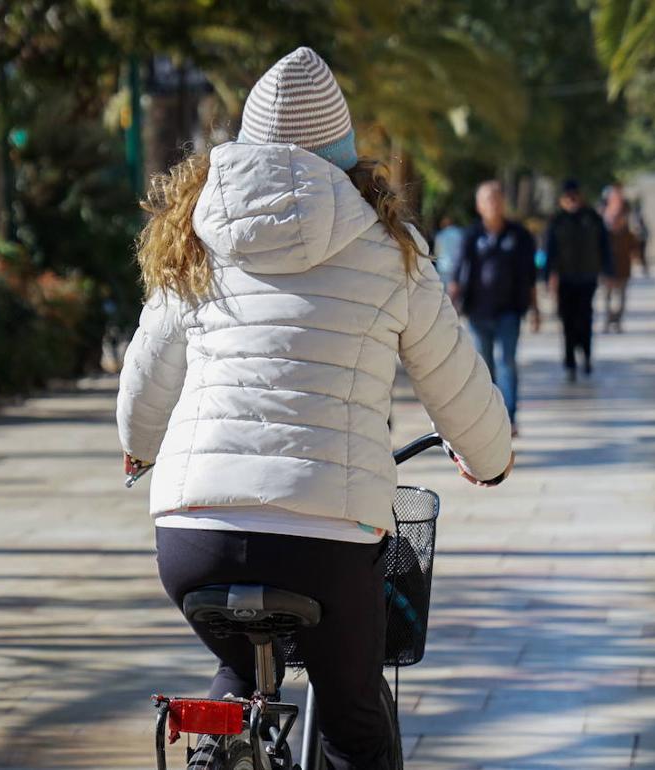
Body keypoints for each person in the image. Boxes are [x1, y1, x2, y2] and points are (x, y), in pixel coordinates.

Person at [116, 47, 514, 770]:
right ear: (345, 154)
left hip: (192, 534)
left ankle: (222, 739)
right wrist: (489, 460)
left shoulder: (197, 239)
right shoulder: (392, 251)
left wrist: (141, 449)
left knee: (237, 673)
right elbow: (454, 378)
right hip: (327, 539)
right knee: (353, 713)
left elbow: (145, 382)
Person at [450, 180, 538, 434]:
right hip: (478, 312)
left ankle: (509, 417)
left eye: (497, 198)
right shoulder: (471, 236)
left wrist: (535, 309)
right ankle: (491, 419)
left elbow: (531, 275)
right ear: (479, 205)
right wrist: (451, 304)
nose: (493, 203)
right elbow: (457, 272)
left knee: (506, 362)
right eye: (488, 199)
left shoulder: (519, 236)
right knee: (485, 367)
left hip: (510, 311)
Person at [544, 179, 611, 382]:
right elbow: (549, 251)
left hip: (587, 277)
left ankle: (587, 356)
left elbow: (604, 246)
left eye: (575, 195)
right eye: (568, 196)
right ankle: (570, 360)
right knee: (567, 321)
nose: (572, 199)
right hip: (565, 279)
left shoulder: (592, 218)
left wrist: (608, 271)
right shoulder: (557, 221)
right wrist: (547, 277)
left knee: (585, 319)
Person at [601, 183, 641, 333]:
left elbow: (635, 248)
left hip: (623, 269)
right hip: (608, 270)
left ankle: (617, 321)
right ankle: (608, 320)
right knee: (608, 298)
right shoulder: (605, 234)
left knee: (621, 298)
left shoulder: (627, 233)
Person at [432, 215, 464, 285]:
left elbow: (437, 252)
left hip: (443, 267)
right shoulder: (459, 233)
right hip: (456, 267)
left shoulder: (440, 235)